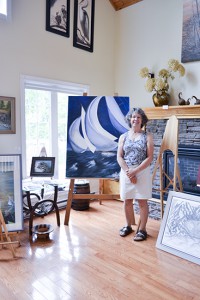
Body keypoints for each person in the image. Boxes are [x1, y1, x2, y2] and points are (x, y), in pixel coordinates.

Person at [117, 107, 154, 241]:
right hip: (126, 171)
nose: (135, 119)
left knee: (142, 202)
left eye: (138, 117)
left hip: (142, 172)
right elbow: (119, 157)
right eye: (133, 117)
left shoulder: (147, 136)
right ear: (130, 119)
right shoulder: (123, 137)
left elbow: (150, 157)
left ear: (142, 120)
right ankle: (128, 226)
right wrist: (128, 172)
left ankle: (142, 229)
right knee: (127, 201)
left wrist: (135, 171)